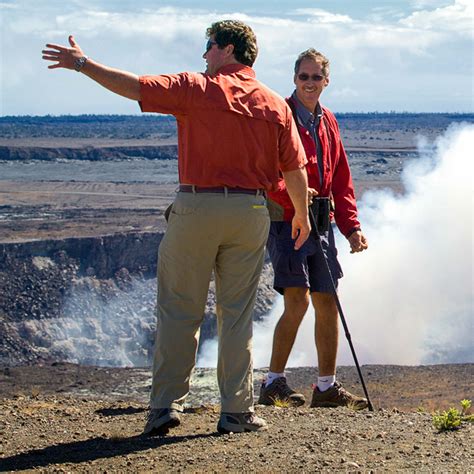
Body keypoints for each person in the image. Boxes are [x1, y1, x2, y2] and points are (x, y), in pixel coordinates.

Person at [42, 20, 310, 435]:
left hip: (196, 208)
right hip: (251, 211)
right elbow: (294, 168)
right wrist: (301, 215)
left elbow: (134, 86)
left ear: (227, 49)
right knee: (236, 315)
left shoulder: (196, 88)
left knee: (179, 310)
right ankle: (237, 412)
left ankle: (166, 406)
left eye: (209, 46)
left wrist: (83, 64)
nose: (204, 55)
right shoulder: (275, 104)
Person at [259, 48, 369, 409]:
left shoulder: (329, 121)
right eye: (304, 76)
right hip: (287, 221)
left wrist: (350, 227)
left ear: (326, 81)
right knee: (297, 299)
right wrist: (290, 191)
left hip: (321, 220)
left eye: (316, 77)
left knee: (327, 299)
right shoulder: (280, 116)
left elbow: (341, 177)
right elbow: (265, 172)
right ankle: (273, 382)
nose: (310, 83)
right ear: (294, 79)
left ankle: (325, 387)